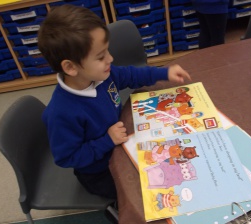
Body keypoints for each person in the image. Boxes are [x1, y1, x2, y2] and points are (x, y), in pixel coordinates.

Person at [38, 4, 191, 200]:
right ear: (70, 67)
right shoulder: (61, 113)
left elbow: (131, 74)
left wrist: (164, 72)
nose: (110, 58)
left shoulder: (101, 75)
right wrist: (106, 140)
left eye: (107, 51)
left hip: (121, 144)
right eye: (101, 56)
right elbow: (67, 157)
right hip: (99, 172)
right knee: (149, 192)